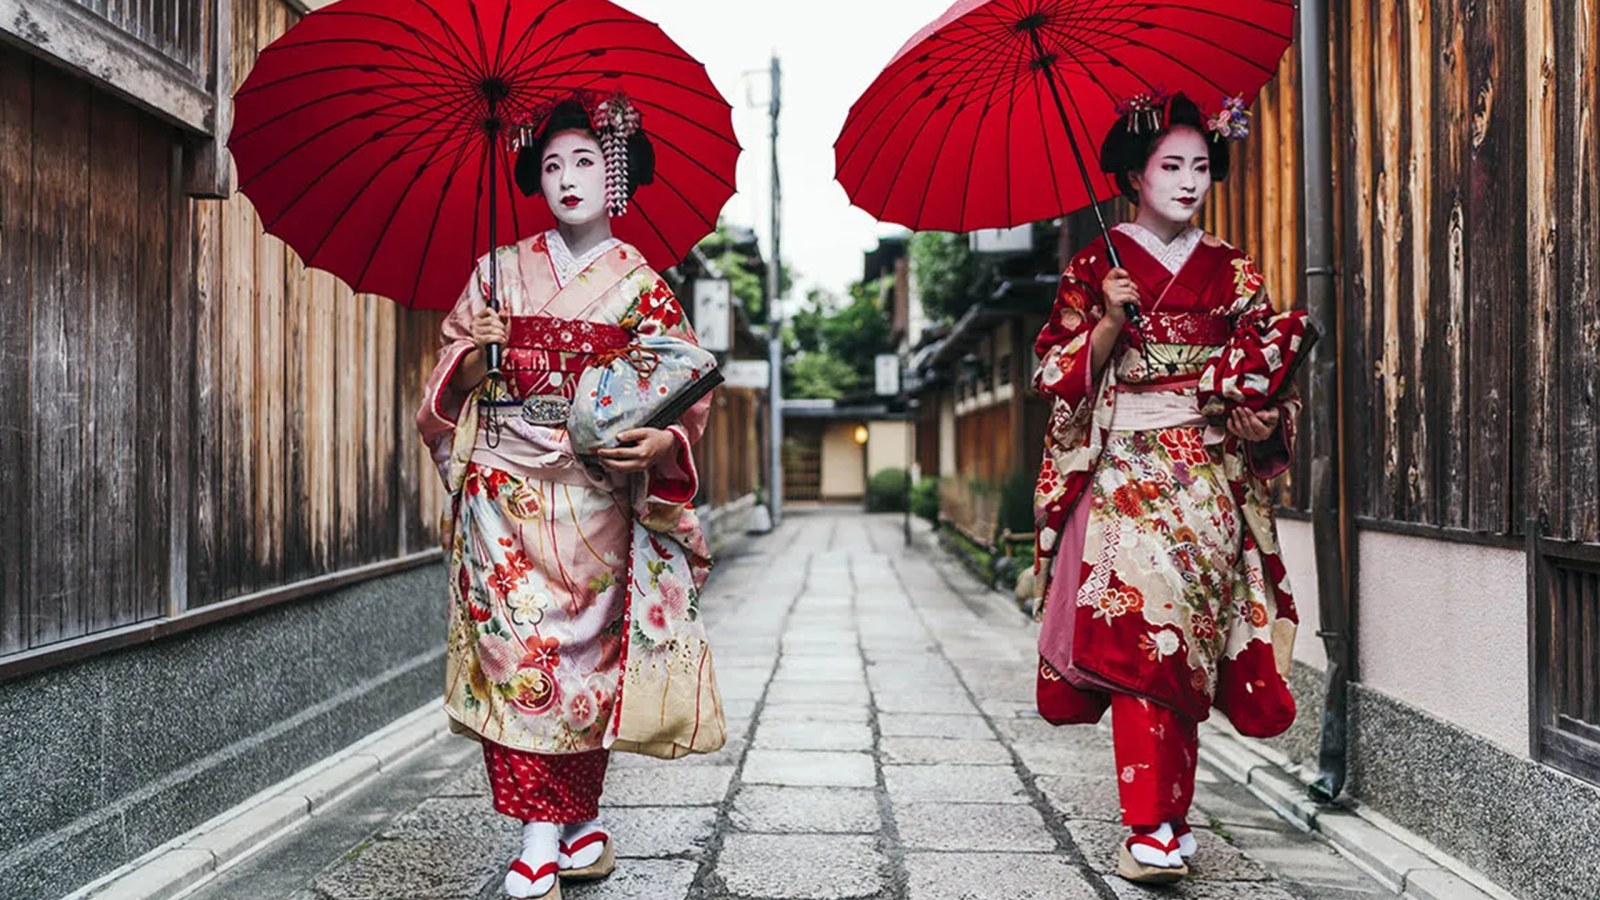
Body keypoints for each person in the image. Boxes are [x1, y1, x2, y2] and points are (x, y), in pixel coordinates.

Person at [416, 94, 709, 900]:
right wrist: (475, 360)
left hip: (595, 498)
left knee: (586, 665)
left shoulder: (643, 288)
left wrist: (661, 443)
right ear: (533, 180)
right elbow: (445, 386)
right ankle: (539, 836)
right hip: (502, 498)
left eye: (584, 161)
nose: (567, 178)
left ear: (613, 174)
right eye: (550, 165)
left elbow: (686, 393)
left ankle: (577, 824)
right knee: (518, 661)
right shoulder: (496, 272)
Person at [1030, 92, 1303, 884]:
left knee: (1186, 642)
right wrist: (1109, 323)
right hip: (1126, 473)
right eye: (1169, 167)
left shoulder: (1233, 267)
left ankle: (1169, 821)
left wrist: (1260, 418)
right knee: (1142, 635)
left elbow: (1265, 371)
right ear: (1133, 177)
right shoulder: (1096, 263)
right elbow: (1053, 371)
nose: (1189, 182)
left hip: (1206, 474)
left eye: (1199, 167)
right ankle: (1149, 825)